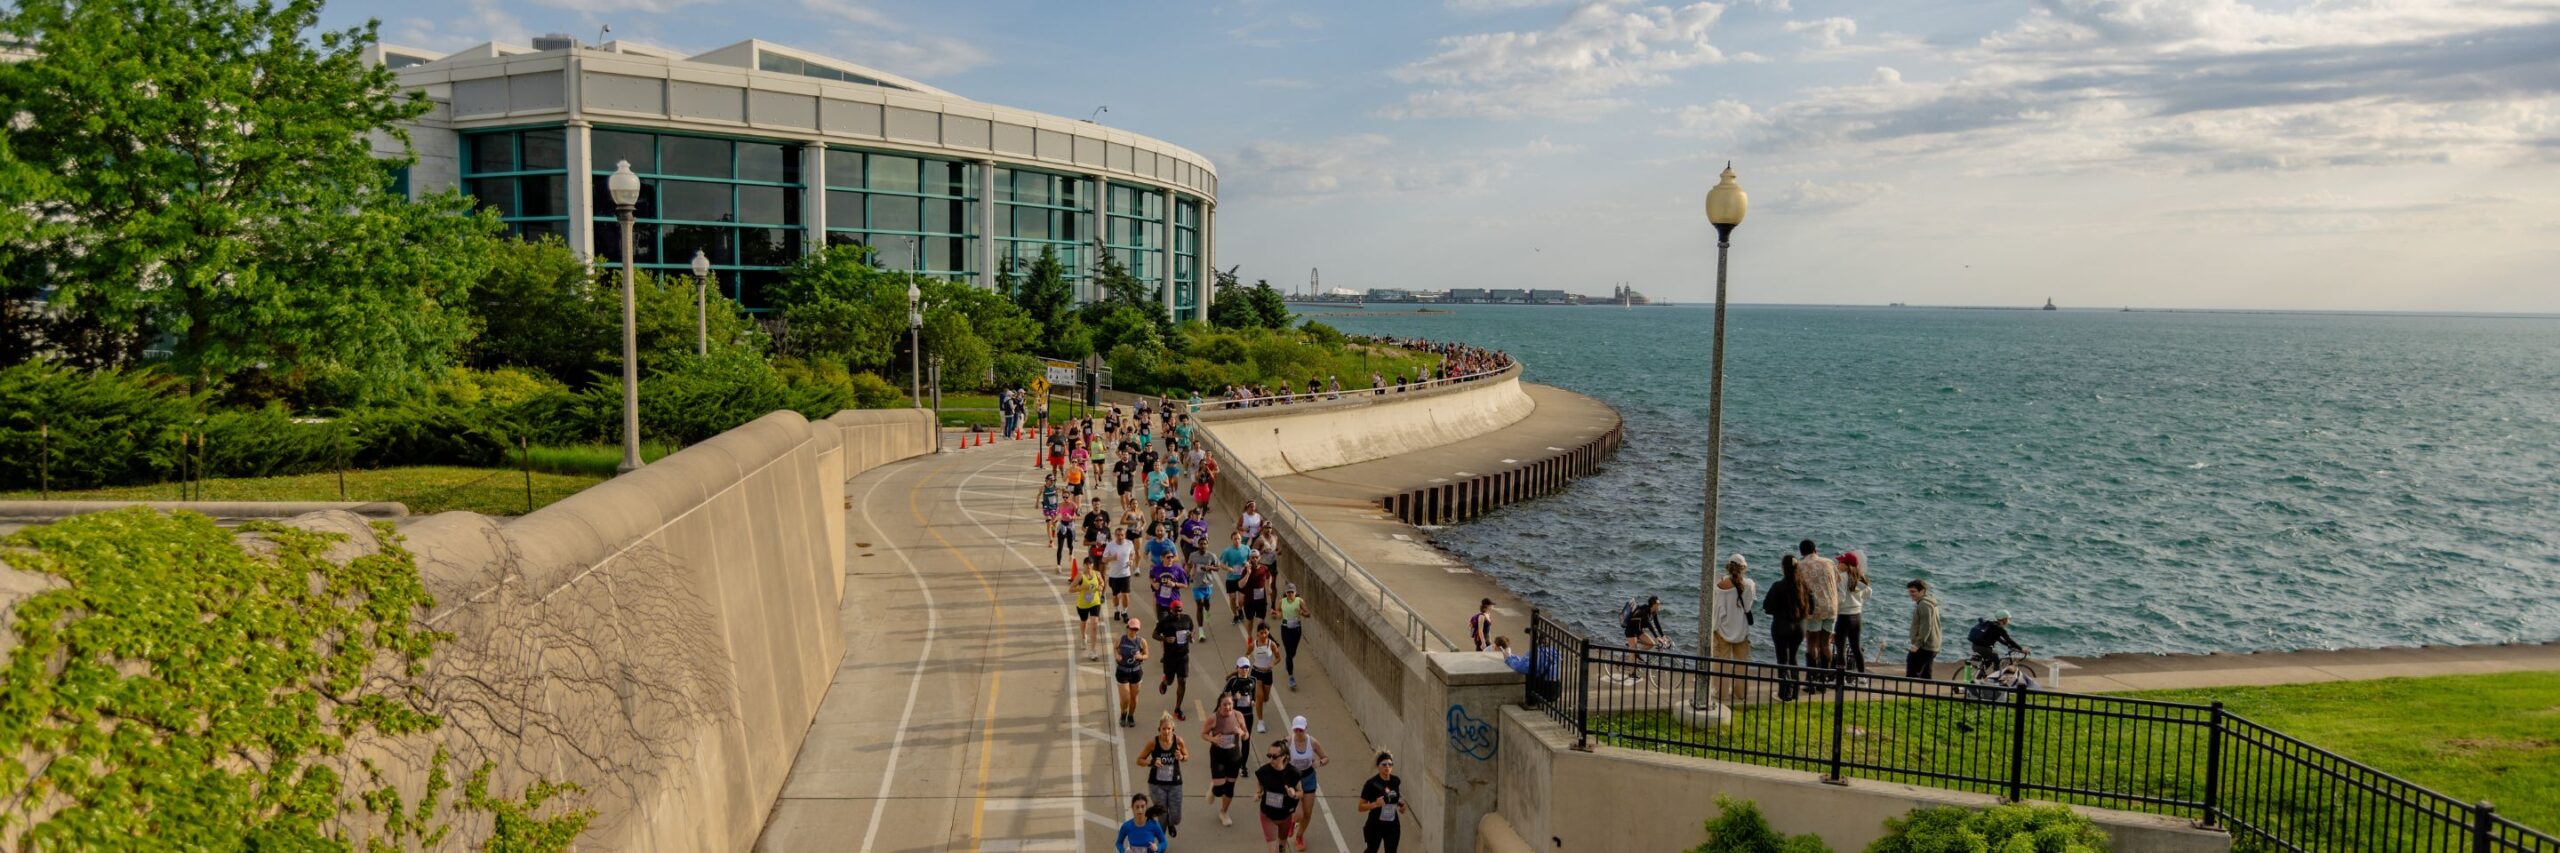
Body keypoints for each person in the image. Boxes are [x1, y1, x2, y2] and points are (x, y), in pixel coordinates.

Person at [1793, 540, 1841, 688]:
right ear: (1816, 549)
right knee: (1825, 644)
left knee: (1812, 644)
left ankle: (1811, 679)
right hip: (1831, 607)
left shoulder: (1800, 566)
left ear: (1801, 553)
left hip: (1814, 609)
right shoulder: (1829, 562)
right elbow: (1837, 581)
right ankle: (1823, 679)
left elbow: (1797, 588)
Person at [1711, 554, 1756, 706]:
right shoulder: (1749, 584)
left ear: (1728, 567)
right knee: (1741, 665)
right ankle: (1741, 694)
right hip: (1741, 631)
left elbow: (1717, 609)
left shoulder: (1719, 585)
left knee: (1721, 664)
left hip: (1723, 630)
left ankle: (1721, 694)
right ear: (1743, 568)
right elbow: (1748, 607)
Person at [1137, 713, 1191, 838]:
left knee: (1176, 817)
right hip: (1157, 784)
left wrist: (1182, 757)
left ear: (1173, 730)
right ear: (1159, 729)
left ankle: (1171, 824)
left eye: (1169, 729)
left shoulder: (1178, 741)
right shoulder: (1153, 744)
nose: (1166, 732)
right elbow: (1139, 760)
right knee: (1162, 815)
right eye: (1163, 729)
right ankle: (1161, 843)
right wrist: (1151, 762)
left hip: (1174, 784)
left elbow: (1187, 756)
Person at [1205, 691, 1250, 826]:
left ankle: (1223, 812)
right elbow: (1203, 733)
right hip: (1218, 754)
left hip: (1234, 756)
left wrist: (1241, 733)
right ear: (1219, 705)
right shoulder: (1213, 718)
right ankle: (1214, 785)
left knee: (1230, 787)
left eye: (1230, 704)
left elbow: (1246, 736)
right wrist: (1213, 739)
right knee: (1219, 791)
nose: (1227, 707)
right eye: (1225, 704)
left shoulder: (1238, 716)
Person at [1764, 555, 1805, 702]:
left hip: (1781, 626)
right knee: (1793, 658)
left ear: (1783, 568)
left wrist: (1777, 610)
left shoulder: (1778, 586)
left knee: (1782, 660)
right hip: (1800, 627)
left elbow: (1767, 607)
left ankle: (1784, 692)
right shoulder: (1803, 586)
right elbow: (1811, 605)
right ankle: (1795, 691)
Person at [1286, 716, 1331, 850]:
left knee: (1307, 813)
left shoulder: (1312, 742)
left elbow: (1326, 758)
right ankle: (1291, 821)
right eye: (1296, 730)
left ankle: (1299, 836)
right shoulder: (1288, 741)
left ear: (1306, 728)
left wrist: (1320, 762)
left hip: (1309, 778)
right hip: (1293, 779)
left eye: (1301, 729)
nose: (1299, 733)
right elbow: (1277, 755)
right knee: (1298, 814)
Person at [1254, 739, 1304, 852]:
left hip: (1285, 817)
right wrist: (1258, 793)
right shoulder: (1264, 771)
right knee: (1274, 851)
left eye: (1274, 756)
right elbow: (1259, 783)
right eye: (1269, 755)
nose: (1271, 759)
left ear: (1284, 757)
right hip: (1268, 816)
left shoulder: (1293, 773)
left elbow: (1301, 792)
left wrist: (1294, 794)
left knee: (1282, 847)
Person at [1357, 752, 1410, 853]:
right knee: (1371, 850)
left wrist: (1401, 805)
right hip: (1375, 825)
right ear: (1378, 766)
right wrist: (1375, 804)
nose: (1387, 767)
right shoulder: (1371, 784)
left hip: (1392, 826)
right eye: (1384, 764)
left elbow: (1394, 797)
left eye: (1390, 764)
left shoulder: (1396, 781)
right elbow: (1360, 807)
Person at [1836, 550, 1872, 682]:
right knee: (1856, 647)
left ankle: (1841, 679)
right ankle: (1862, 678)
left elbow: (1840, 598)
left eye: (1840, 562)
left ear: (1846, 565)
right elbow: (1868, 594)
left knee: (1840, 649)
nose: (1838, 563)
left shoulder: (1842, 577)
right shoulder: (1859, 577)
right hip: (1857, 616)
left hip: (1844, 616)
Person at [1155, 602, 1196, 718]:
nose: (1178, 613)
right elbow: (1154, 634)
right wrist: (1165, 639)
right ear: (1171, 610)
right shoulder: (1164, 622)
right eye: (1175, 611)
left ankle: (1178, 708)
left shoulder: (1186, 618)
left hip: (1183, 655)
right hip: (1170, 656)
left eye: (1180, 610)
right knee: (1170, 681)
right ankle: (1164, 681)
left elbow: (1192, 629)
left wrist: (1191, 635)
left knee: (1182, 680)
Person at [1115, 617, 1149, 728]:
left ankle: (1131, 716)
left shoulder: (1141, 641)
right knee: (1125, 698)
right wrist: (1117, 656)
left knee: (1134, 698)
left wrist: (1141, 656)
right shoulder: (1121, 639)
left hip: (1136, 672)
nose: (1133, 631)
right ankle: (1123, 713)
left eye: (1135, 629)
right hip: (1122, 671)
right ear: (1127, 627)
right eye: (1131, 628)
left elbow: (1146, 655)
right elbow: (1115, 648)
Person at [1905, 579, 1941, 680]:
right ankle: (1924, 693)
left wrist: (1917, 644)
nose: (1910, 594)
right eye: (1909, 591)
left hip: (1925, 646)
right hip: (1932, 644)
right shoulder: (1930, 603)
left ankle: (1911, 691)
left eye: (1913, 591)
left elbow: (1926, 626)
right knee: (1925, 675)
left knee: (1911, 670)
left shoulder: (1924, 605)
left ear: (1922, 591)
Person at [1248, 624, 1281, 732]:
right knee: (1260, 697)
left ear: (1268, 633)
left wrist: (1272, 664)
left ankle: (1260, 706)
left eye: (1265, 632)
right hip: (1256, 673)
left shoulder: (1272, 645)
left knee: (1266, 698)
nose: (1263, 635)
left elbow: (1278, 658)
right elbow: (1246, 655)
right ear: (1257, 633)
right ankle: (1260, 722)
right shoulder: (1253, 645)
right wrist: (1244, 664)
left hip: (1267, 674)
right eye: (1261, 632)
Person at [1221, 656, 1262, 743]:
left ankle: (1244, 757)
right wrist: (1233, 698)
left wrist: (1253, 701)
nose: (1245, 670)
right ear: (1237, 668)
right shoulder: (1233, 681)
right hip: (1234, 714)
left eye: (1247, 667)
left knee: (1246, 738)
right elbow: (1223, 697)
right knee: (1233, 738)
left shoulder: (1253, 680)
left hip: (1248, 714)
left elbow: (1253, 694)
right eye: (1242, 667)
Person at [1277, 583, 1309, 691]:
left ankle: (1288, 662)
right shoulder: (1282, 601)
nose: (1290, 594)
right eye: (1288, 592)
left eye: (1292, 592)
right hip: (1285, 629)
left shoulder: (1299, 601)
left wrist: (1301, 612)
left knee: (1293, 652)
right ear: (1285, 593)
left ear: (1295, 592)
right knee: (1289, 653)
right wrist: (1277, 614)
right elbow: (1278, 612)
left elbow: (1308, 614)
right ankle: (1291, 677)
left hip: (1296, 630)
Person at [1105, 530, 1139, 623]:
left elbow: (1132, 554)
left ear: (1124, 535)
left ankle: (1124, 612)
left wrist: (1131, 560)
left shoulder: (1129, 543)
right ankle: (1116, 610)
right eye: (1118, 535)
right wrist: (1112, 558)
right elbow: (1104, 559)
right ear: (1115, 535)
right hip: (1114, 575)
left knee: (1125, 595)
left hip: (1125, 574)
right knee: (1115, 595)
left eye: (1122, 535)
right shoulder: (1110, 545)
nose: (1120, 537)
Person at [1075, 566, 1107, 661]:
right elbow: (1071, 589)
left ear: (1092, 566)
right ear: (1084, 566)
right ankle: (1083, 637)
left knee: (1094, 625)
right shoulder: (1080, 576)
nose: (1088, 567)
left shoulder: (1097, 574)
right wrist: (1081, 588)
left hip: (1095, 602)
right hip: (1083, 604)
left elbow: (1102, 582)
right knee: (1083, 622)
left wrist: (1100, 587)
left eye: (1090, 565)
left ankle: (1093, 650)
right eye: (1086, 565)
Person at [1220, 533, 1252, 622]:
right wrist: (1228, 568)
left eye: (1238, 538)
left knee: (1242, 600)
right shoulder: (1227, 551)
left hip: (1242, 578)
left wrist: (1248, 563)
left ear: (1241, 539)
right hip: (1231, 578)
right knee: (1232, 598)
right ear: (1232, 540)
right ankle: (1235, 615)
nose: (1237, 540)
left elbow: (1251, 559)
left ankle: (1240, 608)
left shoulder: (1246, 548)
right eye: (1235, 539)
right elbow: (1221, 564)